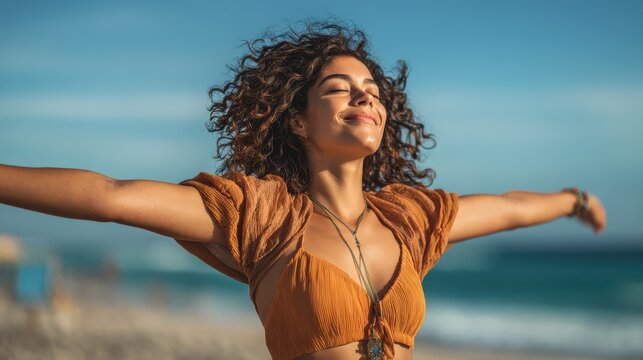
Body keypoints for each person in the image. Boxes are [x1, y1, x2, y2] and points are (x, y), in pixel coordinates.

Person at [0, 22, 607, 360]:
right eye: (340, 88)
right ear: (296, 119)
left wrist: (574, 201)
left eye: (371, 88)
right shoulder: (260, 215)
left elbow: (506, 209)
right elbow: (108, 195)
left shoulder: (411, 219)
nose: (365, 97)